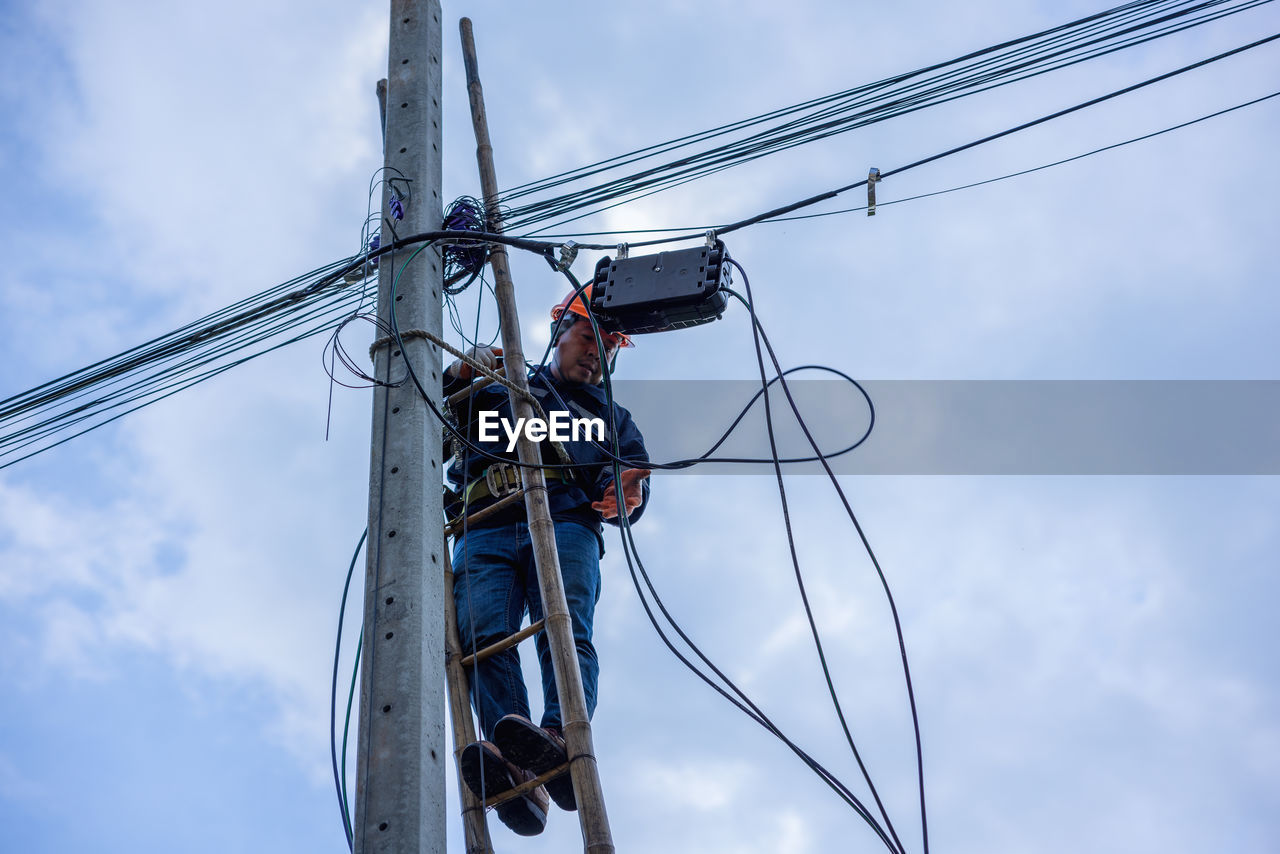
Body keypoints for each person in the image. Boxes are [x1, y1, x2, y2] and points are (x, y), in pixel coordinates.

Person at [443, 287, 651, 836]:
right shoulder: (498, 387)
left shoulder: (609, 415)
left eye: (607, 351)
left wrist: (627, 492)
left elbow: (627, 475)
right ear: (559, 332)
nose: (595, 356)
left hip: (563, 519)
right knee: (483, 638)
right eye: (588, 340)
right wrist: (461, 376)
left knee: (564, 631)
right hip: (484, 521)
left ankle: (558, 737)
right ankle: (516, 762)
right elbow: (436, 432)